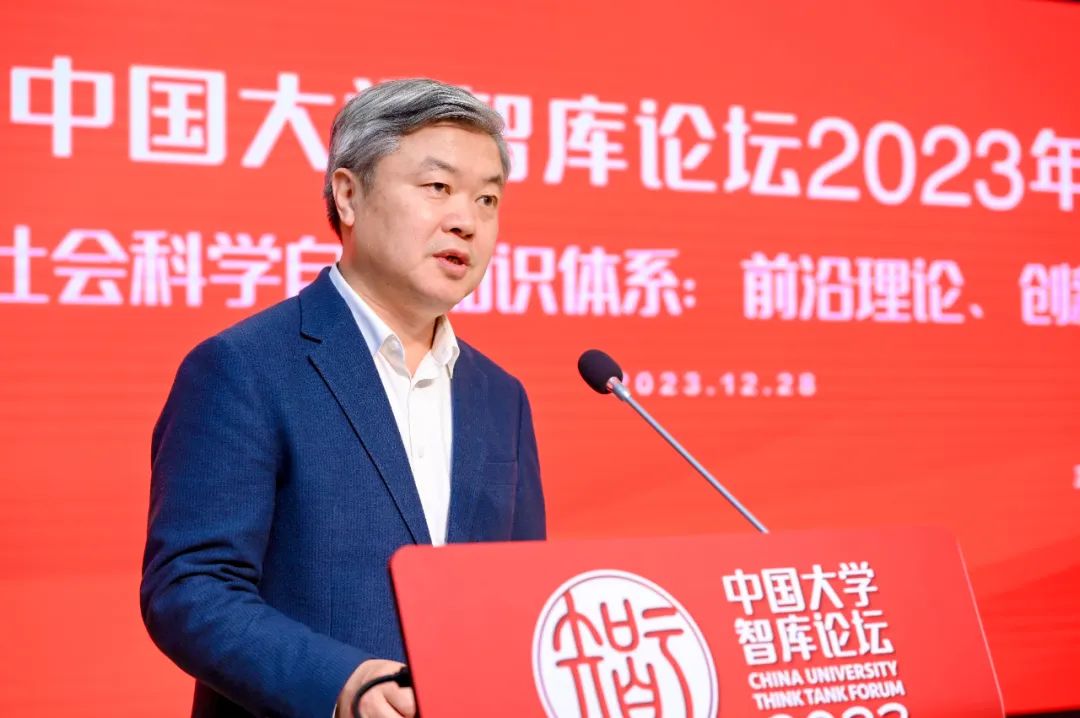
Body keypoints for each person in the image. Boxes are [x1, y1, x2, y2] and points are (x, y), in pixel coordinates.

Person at [140, 78, 546, 718]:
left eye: (487, 198)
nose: (466, 221)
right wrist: (340, 684)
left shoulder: (502, 397)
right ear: (349, 195)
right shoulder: (244, 367)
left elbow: (521, 593)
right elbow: (191, 588)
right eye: (437, 187)